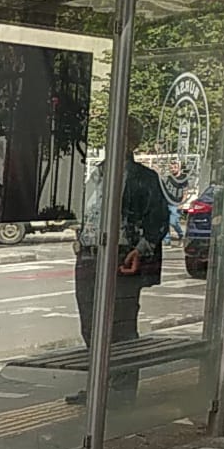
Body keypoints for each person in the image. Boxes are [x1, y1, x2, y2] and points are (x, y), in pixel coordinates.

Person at [71, 119, 168, 403]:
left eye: (122, 136)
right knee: (90, 323)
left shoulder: (143, 178)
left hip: (122, 255)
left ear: (132, 143)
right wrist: (80, 238)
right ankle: (98, 385)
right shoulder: (96, 174)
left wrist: (141, 248)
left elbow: (158, 220)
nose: (114, 142)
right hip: (90, 256)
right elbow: (87, 211)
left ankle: (121, 390)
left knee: (122, 325)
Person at [161, 158, 189, 244]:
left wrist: (182, 203)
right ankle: (167, 240)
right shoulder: (168, 178)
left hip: (176, 203)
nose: (173, 169)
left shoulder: (183, 179)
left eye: (175, 167)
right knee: (165, 221)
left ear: (179, 168)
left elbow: (185, 192)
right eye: (171, 168)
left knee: (173, 221)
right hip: (167, 202)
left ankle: (180, 233)